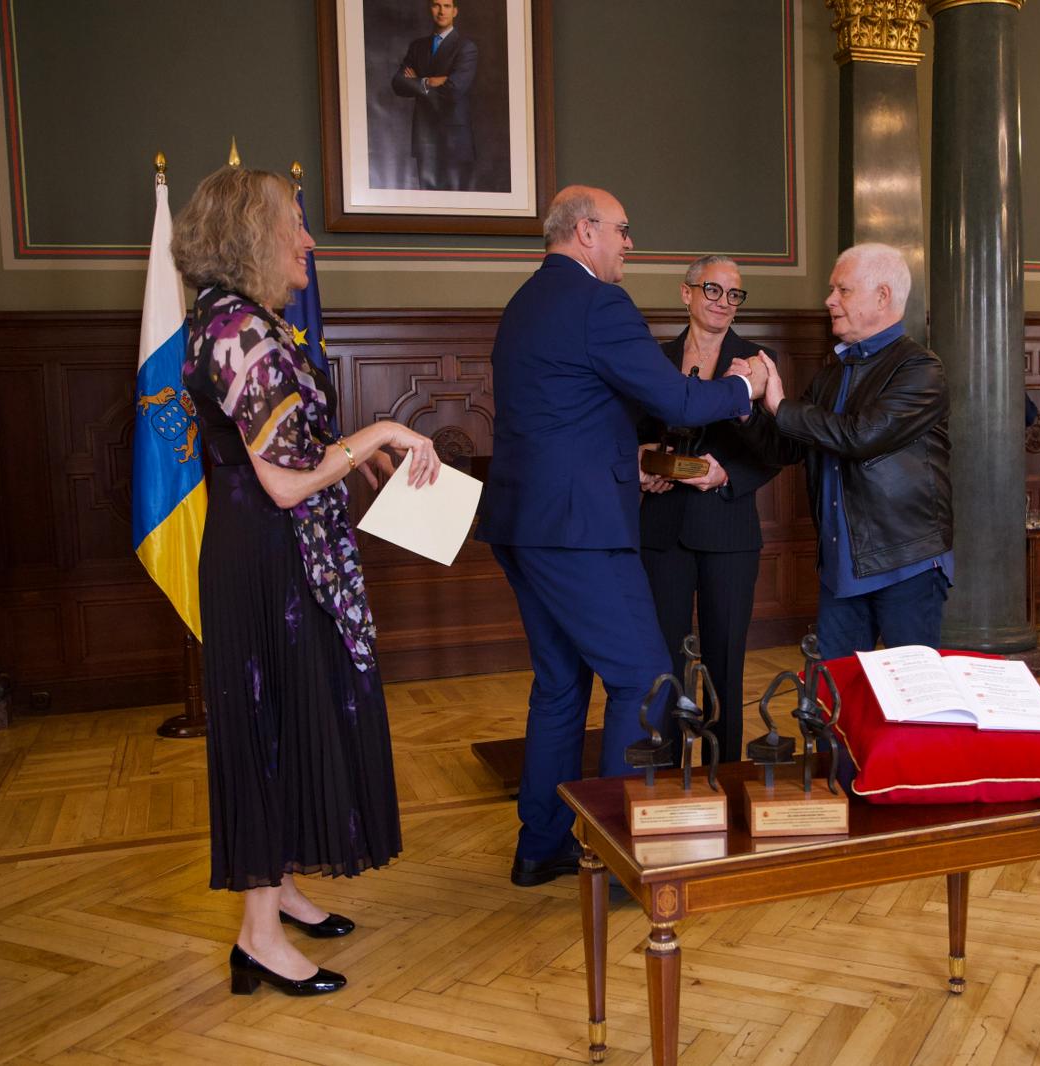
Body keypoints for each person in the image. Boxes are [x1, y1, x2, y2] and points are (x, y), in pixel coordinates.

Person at [172, 166, 440, 996]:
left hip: (288, 557)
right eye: (296, 224)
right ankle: (256, 937)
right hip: (265, 566)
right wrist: (382, 431)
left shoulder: (251, 324)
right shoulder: (238, 332)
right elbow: (284, 484)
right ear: (253, 235)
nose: (309, 242)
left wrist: (358, 464)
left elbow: (294, 458)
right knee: (267, 727)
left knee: (293, 719)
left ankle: (279, 886)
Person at [476, 185, 769, 887]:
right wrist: (743, 388)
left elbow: (561, 417)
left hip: (523, 523)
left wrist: (625, 459)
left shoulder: (523, 304)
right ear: (585, 232)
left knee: (558, 687)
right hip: (579, 532)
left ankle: (542, 845)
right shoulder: (598, 303)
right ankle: (613, 857)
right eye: (623, 230)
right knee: (644, 679)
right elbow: (674, 398)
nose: (630, 243)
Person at [748, 243, 953, 661]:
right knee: (835, 700)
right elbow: (786, 446)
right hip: (844, 568)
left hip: (905, 564)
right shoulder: (831, 374)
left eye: (842, 290)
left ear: (882, 296)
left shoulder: (920, 369)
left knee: (911, 698)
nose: (829, 300)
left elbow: (860, 437)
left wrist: (781, 406)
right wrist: (744, 404)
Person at [638, 256, 782, 762]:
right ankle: (667, 767)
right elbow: (634, 436)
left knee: (725, 660)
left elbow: (776, 450)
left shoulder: (758, 363)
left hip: (728, 529)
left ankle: (725, 773)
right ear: (687, 294)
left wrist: (727, 474)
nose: (723, 302)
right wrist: (645, 464)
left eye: (733, 294)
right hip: (662, 529)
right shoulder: (655, 357)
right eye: (712, 290)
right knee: (665, 661)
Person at [390, 0, 477, 191]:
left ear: (455, 11)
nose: (441, 11)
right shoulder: (417, 47)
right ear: (430, 9)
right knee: (427, 207)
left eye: (446, 6)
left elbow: (454, 90)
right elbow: (398, 83)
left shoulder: (465, 48)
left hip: (455, 139)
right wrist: (428, 81)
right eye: (436, 5)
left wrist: (417, 81)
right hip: (425, 138)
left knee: (456, 208)